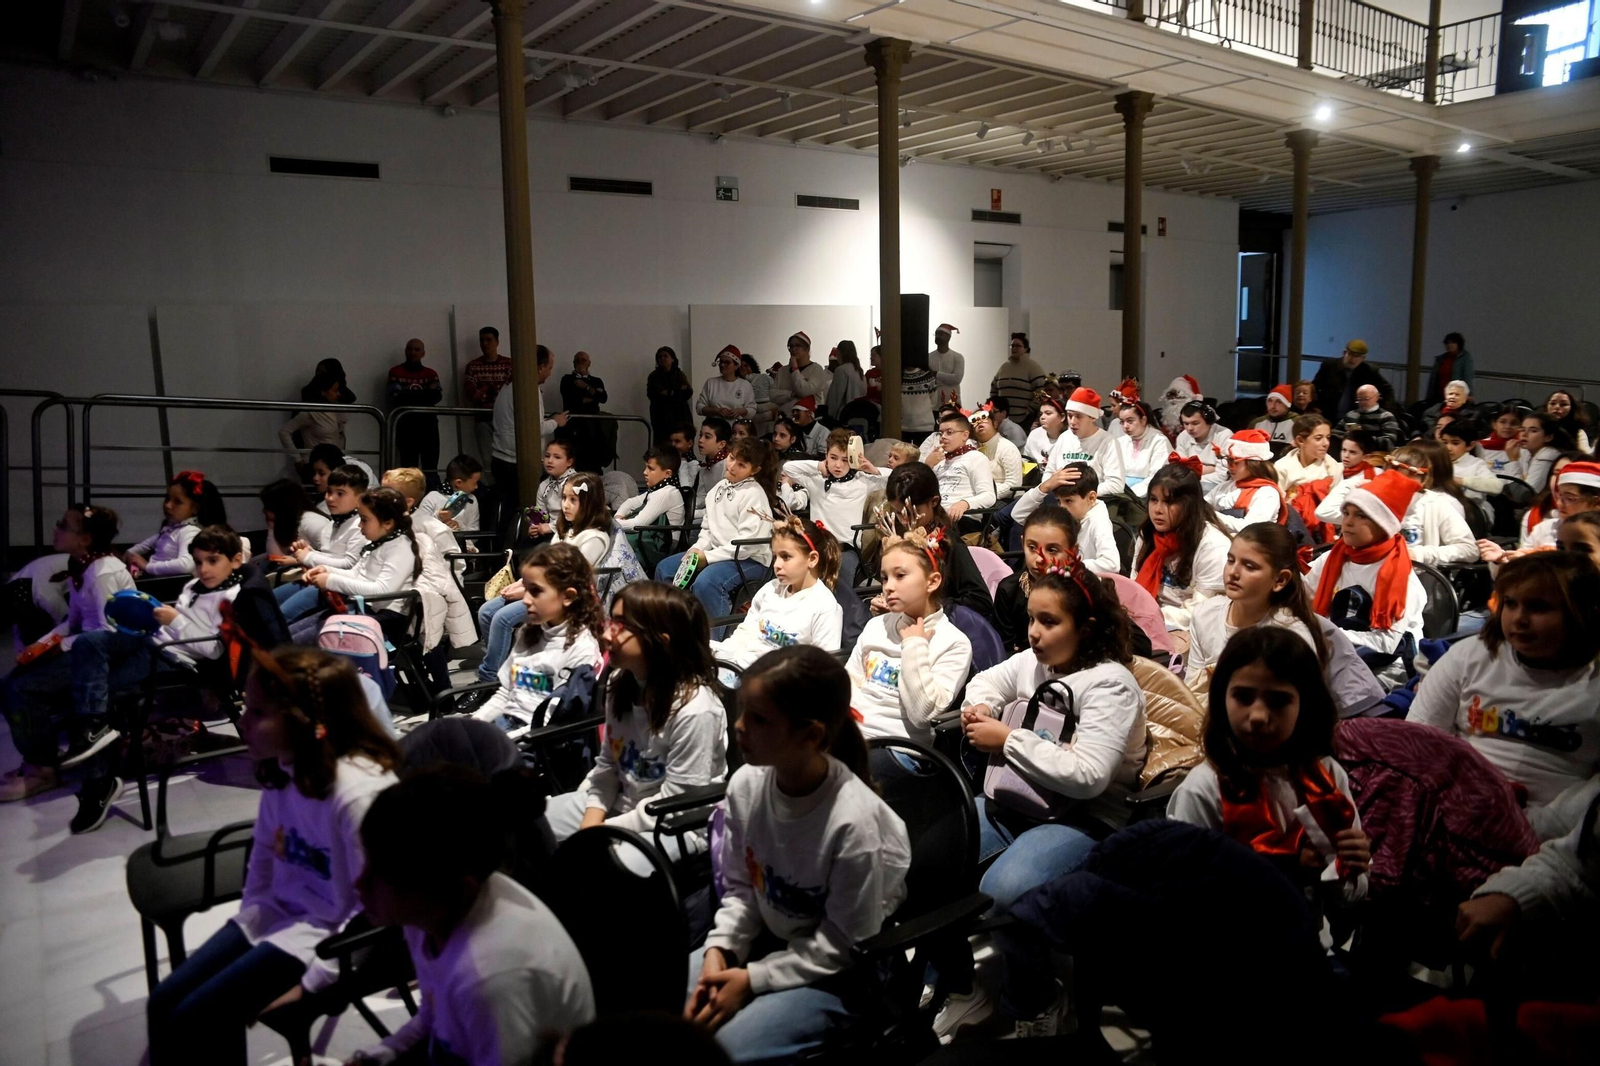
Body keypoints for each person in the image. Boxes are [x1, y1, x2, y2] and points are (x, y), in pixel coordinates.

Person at [146, 647, 400, 1066]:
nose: (242, 723)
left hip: (326, 936)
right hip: (278, 914)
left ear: (308, 723)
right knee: (163, 1003)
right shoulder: (287, 766)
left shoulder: (358, 794)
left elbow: (373, 913)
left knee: (198, 1015)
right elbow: (263, 858)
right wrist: (248, 921)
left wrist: (318, 981)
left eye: (258, 713)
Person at [948, 566, 1146, 1035]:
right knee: (930, 855)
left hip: (1089, 815)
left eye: (1050, 622)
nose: (1034, 633)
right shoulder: (1038, 662)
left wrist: (1008, 739)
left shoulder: (1109, 684)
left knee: (1005, 888)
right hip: (1023, 798)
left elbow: (1090, 777)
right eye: (1033, 619)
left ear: (1086, 627)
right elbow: (987, 682)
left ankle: (1035, 999)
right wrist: (979, 708)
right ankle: (959, 985)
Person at [688, 646, 910, 1061]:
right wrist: (721, 949)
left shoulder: (855, 823)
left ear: (811, 735)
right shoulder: (746, 786)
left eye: (758, 720)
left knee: (719, 1051)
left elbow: (842, 944)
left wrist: (751, 979)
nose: (738, 727)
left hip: (843, 972)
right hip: (773, 943)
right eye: (741, 712)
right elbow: (741, 890)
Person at [350, 767, 595, 1066]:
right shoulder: (429, 916)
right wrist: (381, 1054)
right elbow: (432, 1015)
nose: (358, 884)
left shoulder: (489, 978)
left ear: (451, 887)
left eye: (381, 874)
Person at [1170, 627, 1369, 947]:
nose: (1259, 716)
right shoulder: (1205, 789)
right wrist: (1289, 866)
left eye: (1278, 700)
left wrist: (1349, 868)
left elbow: (1349, 897)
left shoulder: (1327, 778)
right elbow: (1184, 898)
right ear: (1221, 698)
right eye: (1243, 697)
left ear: (1306, 705)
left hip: (1308, 949)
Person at [61, 526, 250, 830]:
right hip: (155, 641)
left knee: (101, 686)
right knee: (89, 642)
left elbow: (213, 650)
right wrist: (155, 615)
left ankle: (98, 781)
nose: (204, 569)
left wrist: (173, 621)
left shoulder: (233, 596)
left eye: (213, 561)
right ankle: (93, 727)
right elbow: (180, 621)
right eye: (199, 561)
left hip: (177, 659)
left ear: (236, 560)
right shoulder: (192, 587)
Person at [540, 583, 726, 854]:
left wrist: (601, 831)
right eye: (611, 621)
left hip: (673, 826)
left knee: (596, 868)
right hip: (621, 802)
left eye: (622, 626)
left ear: (660, 642)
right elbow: (607, 767)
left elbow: (676, 804)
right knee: (527, 825)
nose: (606, 634)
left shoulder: (696, 709)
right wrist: (591, 821)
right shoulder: (621, 682)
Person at [1409, 553, 1600, 813]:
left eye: (1539, 607)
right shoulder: (1469, 655)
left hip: (1559, 835)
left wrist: (1531, 827)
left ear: (1581, 612)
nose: (1519, 619)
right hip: (1460, 807)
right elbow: (1419, 741)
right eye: (1510, 603)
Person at [0, 504, 133, 804]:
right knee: (11, 682)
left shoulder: (102, 573)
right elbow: (72, 623)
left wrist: (60, 647)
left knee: (21, 688)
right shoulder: (83, 566)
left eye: (63, 525)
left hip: (102, 655)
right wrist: (43, 644)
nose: (56, 528)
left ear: (85, 539)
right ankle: (40, 758)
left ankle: (42, 769)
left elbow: (105, 634)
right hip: (85, 646)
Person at [848, 528, 973, 745]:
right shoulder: (876, 626)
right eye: (885, 578)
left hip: (901, 748)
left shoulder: (954, 643)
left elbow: (921, 714)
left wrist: (914, 645)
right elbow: (848, 679)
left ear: (932, 582)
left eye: (900, 576)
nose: (888, 587)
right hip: (852, 734)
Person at [1305, 471, 1427, 689]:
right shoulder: (1334, 557)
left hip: (1388, 669)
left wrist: (1321, 633)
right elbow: (1302, 594)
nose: (1348, 522)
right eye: (1346, 513)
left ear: (1384, 525)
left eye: (1361, 516)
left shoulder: (1400, 578)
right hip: (1337, 654)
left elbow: (1386, 644)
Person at [472, 543, 605, 737]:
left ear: (568, 596)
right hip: (506, 726)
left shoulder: (582, 649)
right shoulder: (529, 632)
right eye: (526, 589)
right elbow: (505, 693)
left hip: (535, 741)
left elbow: (551, 720)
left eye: (536, 591)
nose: (526, 599)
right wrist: (475, 723)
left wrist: (498, 741)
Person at [1184, 523, 1324, 698]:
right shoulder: (1204, 614)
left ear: (1280, 580)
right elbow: (1192, 693)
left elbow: (1299, 710)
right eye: (1230, 560)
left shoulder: (1291, 637)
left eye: (1249, 566)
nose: (1233, 572)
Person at [654, 437, 777, 632]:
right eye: (731, 458)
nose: (733, 466)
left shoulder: (754, 494)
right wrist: (696, 550)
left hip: (750, 561)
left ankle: (712, 644)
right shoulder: (718, 489)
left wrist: (708, 558)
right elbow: (707, 530)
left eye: (742, 464)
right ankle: (672, 630)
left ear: (755, 470)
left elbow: (746, 546)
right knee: (665, 568)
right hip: (720, 555)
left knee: (707, 582)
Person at [711, 516, 844, 668]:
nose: (777, 565)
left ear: (812, 559)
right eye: (775, 557)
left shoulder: (825, 607)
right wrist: (722, 655)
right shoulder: (770, 589)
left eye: (786, 557)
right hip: (741, 668)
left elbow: (824, 668)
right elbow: (745, 634)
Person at [279, 486, 420, 622]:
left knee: (300, 635)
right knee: (293, 631)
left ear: (388, 523)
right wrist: (326, 570)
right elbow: (356, 574)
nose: (359, 525)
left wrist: (330, 580)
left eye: (364, 520)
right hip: (362, 606)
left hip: (382, 617)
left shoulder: (400, 549)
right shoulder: (377, 542)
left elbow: (382, 591)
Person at [876, 462, 994, 620]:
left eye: (913, 512)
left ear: (934, 501)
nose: (904, 520)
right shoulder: (898, 540)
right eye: (898, 513)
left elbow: (980, 601)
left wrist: (927, 606)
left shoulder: (948, 543)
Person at [1132, 462, 1232, 641]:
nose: (1158, 510)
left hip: (1195, 631)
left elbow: (1202, 611)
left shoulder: (1213, 546)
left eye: (1169, 502)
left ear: (1188, 505)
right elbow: (1134, 587)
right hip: (1147, 622)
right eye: (1154, 500)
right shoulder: (1147, 535)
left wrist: (1152, 616)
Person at [782, 428, 886, 591]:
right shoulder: (816, 480)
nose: (838, 465)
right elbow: (788, 468)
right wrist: (818, 466)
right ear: (826, 456)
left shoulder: (862, 481)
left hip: (846, 549)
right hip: (817, 546)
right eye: (833, 458)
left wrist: (874, 470)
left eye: (845, 460)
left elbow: (896, 478)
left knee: (840, 586)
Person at [491, 344, 568, 533]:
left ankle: (504, 551)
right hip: (515, 461)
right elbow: (534, 428)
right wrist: (556, 422)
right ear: (540, 367)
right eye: (549, 367)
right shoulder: (528, 390)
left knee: (507, 512)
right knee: (521, 512)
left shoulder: (508, 386)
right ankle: (515, 552)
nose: (550, 373)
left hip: (501, 457)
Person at [1013, 463, 1119, 575]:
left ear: (1091, 498)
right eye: (1059, 501)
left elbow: (1112, 564)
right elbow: (1018, 515)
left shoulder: (1099, 521)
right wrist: (1045, 486)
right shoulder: (1066, 516)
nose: (1062, 507)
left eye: (1068, 501)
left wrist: (1066, 565)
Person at [281, 464, 369, 592]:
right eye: (329, 491)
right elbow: (330, 556)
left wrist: (309, 557)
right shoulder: (332, 524)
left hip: (338, 587)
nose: (330, 498)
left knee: (285, 610)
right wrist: (310, 552)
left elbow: (350, 565)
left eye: (340, 493)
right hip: (320, 578)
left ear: (360, 498)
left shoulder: (359, 526)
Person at [126, 470, 228, 577]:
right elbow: (133, 551)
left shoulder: (190, 532)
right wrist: (133, 561)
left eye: (177, 502)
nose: (168, 505)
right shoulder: (170, 530)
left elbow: (186, 565)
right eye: (167, 499)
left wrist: (147, 566)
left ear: (195, 508)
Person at [1204, 430, 1287, 533]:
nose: (1229, 467)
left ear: (1253, 463)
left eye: (1235, 462)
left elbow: (1251, 528)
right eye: (1227, 460)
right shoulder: (1224, 486)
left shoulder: (1267, 493)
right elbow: (1203, 505)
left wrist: (1210, 514)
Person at [926, 409, 997, 523]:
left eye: (949, 432)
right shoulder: (938, 459)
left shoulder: (976, 458)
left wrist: (965, 503)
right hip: (936, 517)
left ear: (965, 435)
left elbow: (989, 496)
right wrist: (927, 466)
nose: (943, 437)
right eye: (941, 433)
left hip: (962, 518)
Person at [1056, 387, 1126, 497]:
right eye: (1070, 416)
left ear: (1093, 417)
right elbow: (1049, 473)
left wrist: (1079, 494)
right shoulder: (1064, 438)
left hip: (1093, 502)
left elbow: (1116, 484)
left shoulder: (1108, 442)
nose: (1072, 422)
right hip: (1062, 500)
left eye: (1078, 416)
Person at [387, 338, 443, 474]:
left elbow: (436, 396)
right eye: (410, 349)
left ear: (423, 353)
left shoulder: (431, 373)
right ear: (405, 351)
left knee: (431, 468)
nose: (413, 352)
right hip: (406, 426)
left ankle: (432, 494)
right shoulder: (395, 372)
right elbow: (395, 397)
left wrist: (407, 394)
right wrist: (424, 394)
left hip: (428, 426)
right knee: (408, 469)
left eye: (417, 349)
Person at [280, 371, 348, 467]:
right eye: (335, 391)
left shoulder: (335, 410)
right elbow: (284, 432)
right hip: (315, 464)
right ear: (324, 392)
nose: (338, 394)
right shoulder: (310, 412)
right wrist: (297, 459)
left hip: (334, 463)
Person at [1313, 339, 1393, 418]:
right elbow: (1314, 387)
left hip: (1355, 416)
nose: (1353, 359)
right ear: (1344, 353)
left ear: (1363, 358)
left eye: (1357, 357)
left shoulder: (1369, 370)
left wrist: (1385, 411)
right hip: (1328, 413)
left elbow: (1387, 390)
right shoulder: (1329, 365)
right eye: (1350, 354)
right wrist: (1316, 406)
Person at [560, 350, 612, 469]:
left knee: (593, 457)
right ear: (573, 363)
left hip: (593, 425)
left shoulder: (596, 380)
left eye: (583, 360)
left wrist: (586, 387)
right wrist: (593, 395)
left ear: (589, 363)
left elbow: (603, 398)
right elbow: (571, 399)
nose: (580, 362)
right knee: (574, 458)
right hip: (574, 424)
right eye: (577, 360)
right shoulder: (567, 379)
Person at [617, 447, 688, 532]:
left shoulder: (666, 493)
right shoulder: (658, 489)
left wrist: (611, 524)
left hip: (661, 543)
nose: (645, 472)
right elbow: (630, 503)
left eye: (650, 469)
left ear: (667, 473)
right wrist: (618, 516)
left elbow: (636, 525)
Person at [552, 472, 613, 570]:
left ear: (589, 504)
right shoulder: (565, 530)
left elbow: (576, 572)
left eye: (573, 500)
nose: (565, 505)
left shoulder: (594, 537)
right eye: (564, 498)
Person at [259, 479, 330, 559]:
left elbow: (334, 556)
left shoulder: (311, 522)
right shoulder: (286, 523)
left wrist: (297, 561)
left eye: (268, 506)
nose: (264, 511)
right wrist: (271, 526)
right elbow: (275, 558)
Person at [1114, 400, 1169, 499]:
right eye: (1122, 422)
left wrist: (1130, 495)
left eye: (1130, 421)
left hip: (1147, 495)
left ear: (1143, 420)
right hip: (1120, 493)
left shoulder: (1159, 441)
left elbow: (1157, 477)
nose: (1125, 426)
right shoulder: (1120, 441)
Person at [1508, 411, 1572, 494]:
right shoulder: (1525, 451)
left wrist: (1513, 460)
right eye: (1522, 429)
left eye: (1533, 431)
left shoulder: (1547, 456)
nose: (1524, 434)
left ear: (1548, 437)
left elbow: (1523, 495)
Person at [417, 454, 484, 533]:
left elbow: (474, 534)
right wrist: (438, 517)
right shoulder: (432, 498)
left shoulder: (472, 500)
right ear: (458, 483)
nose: (476, 487)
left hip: (462, 544)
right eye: (475, 483)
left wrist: (459, 527)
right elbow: (418, 528)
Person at [768, 331, 832, 414]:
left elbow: (804, 391)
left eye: (797, 346)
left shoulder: (816, 369)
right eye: (790, 346)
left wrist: (794, 369)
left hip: (808, 419)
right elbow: (772, 394)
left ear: (807, 349)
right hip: (784, 419)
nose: (793, 349)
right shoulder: (782, 370)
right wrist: (791, 394)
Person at [969, 405, 1024, 501]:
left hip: (1006, 500)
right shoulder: (971, 448)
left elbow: (1013, 484)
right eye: (974, 421)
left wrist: (985, 496)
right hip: (978, 498)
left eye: (984, 418)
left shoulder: (1007, 448)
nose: (979, 423)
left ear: (995, 424)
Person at [990, 333, 1046, 426]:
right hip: (1002, 419)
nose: (1014, 348)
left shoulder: (1033, 367)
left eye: (1018, 346)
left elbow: (1041, 390)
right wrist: (994, 406)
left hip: (1024, 419)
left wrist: (1030, 410)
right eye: (1012, 345)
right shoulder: (1004, 367)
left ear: (1026, 348)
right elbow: (994, 387)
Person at [1275, 414, 1340, 492]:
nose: (1326, 443)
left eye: (1328, 437)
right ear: (1300, 440)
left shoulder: (1333, 466)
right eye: (1318, 438)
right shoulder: (1282, 467)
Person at [529, 439, 580, 538]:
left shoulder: (576, 482)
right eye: (547, 456)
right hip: (551, 532)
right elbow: (541, 515)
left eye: (557, 457)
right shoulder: (544, 485)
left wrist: (550, 527)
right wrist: (536, 528)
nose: (550, 461)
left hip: (573, 531)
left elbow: (577, 516)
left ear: (569, 462)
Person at [686, 417, 732, 522]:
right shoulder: (705, 464)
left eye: (707, 437)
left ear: (721, 444)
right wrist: (688, 507)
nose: (701, 440)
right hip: (710, 512)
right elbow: (702, 495)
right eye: (700, 435)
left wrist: (693, 513)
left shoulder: (729, 466)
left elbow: (722, 505)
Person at [648, 346, 695, 447]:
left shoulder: (679, 375)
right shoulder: (654, 376)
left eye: (665, 356)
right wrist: (677, 391)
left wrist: (670, 392)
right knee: (663, 446)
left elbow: (688, 392)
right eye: (660, 357)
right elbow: (655, 395)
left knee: (682, 444)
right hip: (661, 416)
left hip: (681, 415)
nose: (662, 358)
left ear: (672, 358)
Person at [1173, 401, 1233, 475]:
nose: (1190, 428)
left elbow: (1224, 473)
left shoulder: (1224, 435)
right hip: (1190, 481)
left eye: (1195, 423)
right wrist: (1213, 468)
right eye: (1186, 423)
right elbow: (1182, 469)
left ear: (1209, 420)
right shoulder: (1183, 436)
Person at [697, 346, 755, 420]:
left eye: (727, 362)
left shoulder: (745, 385)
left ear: (736, 366)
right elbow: (699, 407)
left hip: (735, 428)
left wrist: (740, 411)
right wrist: (716, 410)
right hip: (714, 427)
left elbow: (752, 409)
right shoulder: (711, 383)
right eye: (721, 362)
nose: (722, 365)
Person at [1340, 385, 1401, 452]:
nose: (1363, 402)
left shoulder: (1386, 416)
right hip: (1352, 452)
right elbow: (1336, 433)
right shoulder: (1351, 415)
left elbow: (1389, 443)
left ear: (1377, 397)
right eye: (1359, 399)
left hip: (1376, 455)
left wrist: (1363, 438)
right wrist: (1348, 436)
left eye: (1366, 399)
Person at [1426, 331, 1475, 405]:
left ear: (1459, 344)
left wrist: (1469, 393)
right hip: (1439, 395)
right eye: (1447, 343)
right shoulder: (1441, 359)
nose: (1449, 345)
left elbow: (1468, 376)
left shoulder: (1465, 358)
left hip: (1455, 394)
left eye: (1453, 343)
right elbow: (1433, 380)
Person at [1022, 394, 1069, 466]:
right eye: (1041, 414)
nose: (1042, 417)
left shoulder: (1072, 437)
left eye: (1048, 413)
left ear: (1062, 417)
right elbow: (1026, 460)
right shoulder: (1035, 434)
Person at [824, 340, 867, 418]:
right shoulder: (860, 372)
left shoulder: (841, 370)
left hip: (844, 416)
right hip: (859, 416)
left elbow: (835, 398)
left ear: (840, 353)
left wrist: (828, 416)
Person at [1544, 389, 1592, 454]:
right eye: (1553, 403)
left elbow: (1586, 455)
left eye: (1563, 404)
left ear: (1572, 408)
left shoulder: (1579, 432)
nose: (1557, 407)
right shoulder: (1538, 428)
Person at [929, 323, 965, 407]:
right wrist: (948, 378)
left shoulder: (957, 357)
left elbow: (956, 379)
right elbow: (929, 381)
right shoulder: (928, 357)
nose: (938, 336)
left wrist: (935, 374)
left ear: (949, 337)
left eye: (941, 334)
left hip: (953, 405)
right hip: (934, 405)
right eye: (936, 334)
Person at [1480, 407, 1524, 474]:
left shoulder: (1524, 447)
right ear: (1494, 425)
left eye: (1514, 423)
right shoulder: (1480, 446)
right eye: (1503, 422)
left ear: (1520, 427)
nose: (1508, 426)